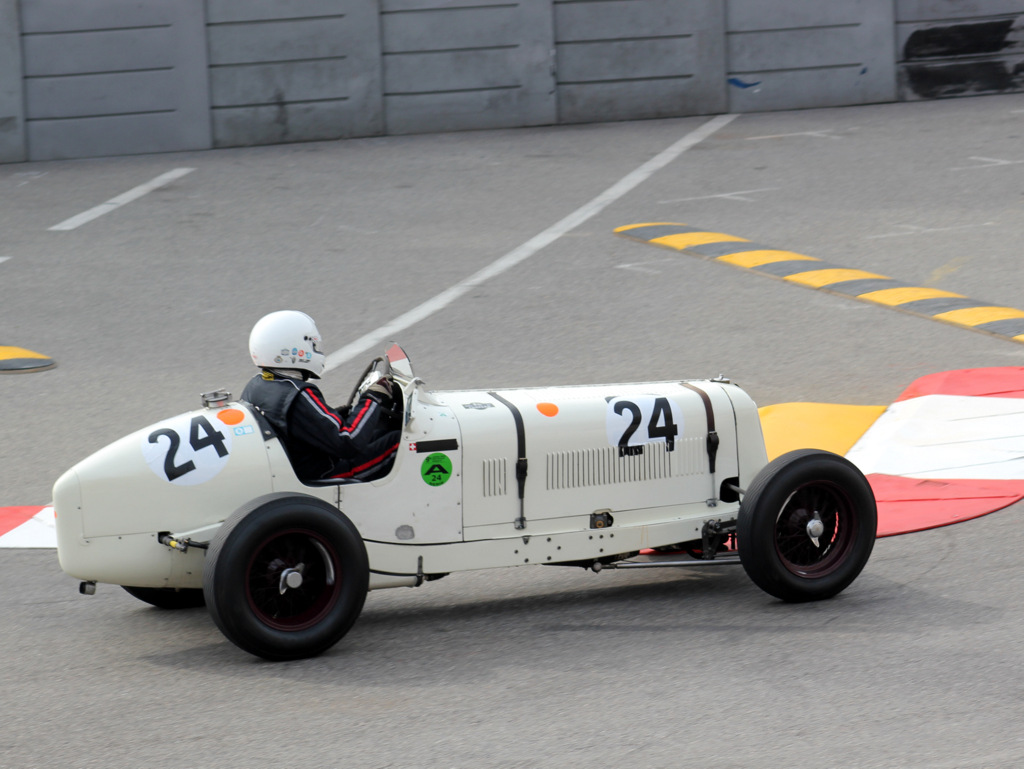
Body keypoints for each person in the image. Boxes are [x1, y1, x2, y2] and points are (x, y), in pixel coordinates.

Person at [242, 310, 401, 483]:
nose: (316, 350)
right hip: (326, 473)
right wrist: (373, 398)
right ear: (294, 348)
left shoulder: (256, 385)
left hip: (296, 467)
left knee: (379, 431)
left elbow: (303, 425)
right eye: (313, 345)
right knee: (400, 441)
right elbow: (348, 442)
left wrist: (340, 415)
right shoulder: (299, 393)